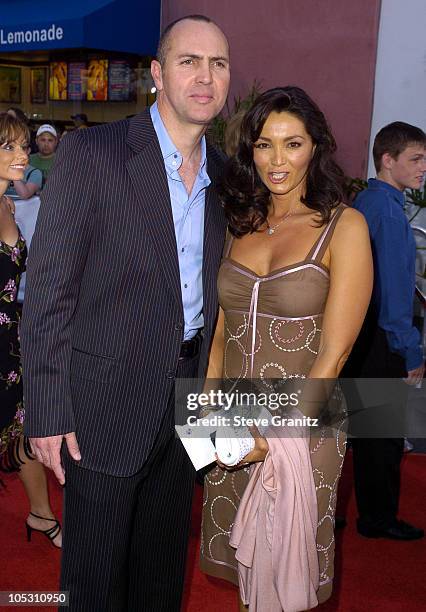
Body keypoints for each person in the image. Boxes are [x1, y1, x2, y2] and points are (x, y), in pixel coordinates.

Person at [20, 14, 230, 611]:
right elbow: (49, 293)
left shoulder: (226, 178)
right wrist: (47, 410)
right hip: (102, 406)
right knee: (92, 582)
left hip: (185, 400)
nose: (205, 77)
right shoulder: (96, 152)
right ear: (159, 75)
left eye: (218, 63)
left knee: (162, 574)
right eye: (190, 61)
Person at [200, 86, 373, 611]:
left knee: (284, 569)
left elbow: (335, 355)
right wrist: (206, 418)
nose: (277, 160)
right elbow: (221, 333)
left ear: (315, 148)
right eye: (263, 144)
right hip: (230, 418)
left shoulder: (344, 227)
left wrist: (273, 440)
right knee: (241, 565)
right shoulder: (239, 224)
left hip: (300, 426)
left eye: (292, 144)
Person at [344, 122, 426, 541]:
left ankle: (360, 515)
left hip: (359, 334)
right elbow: (395, 295)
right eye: (415, 158)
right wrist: (411, 352)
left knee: (361, 433)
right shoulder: (390, 213)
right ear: (387, 160)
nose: (423, 168)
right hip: (382, 338)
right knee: (383, 438)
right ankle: (378, 520)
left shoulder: (366, 202)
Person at [0, 112, 61, 547]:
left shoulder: (7, 202)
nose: (22, 154)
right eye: (9, 147)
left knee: (21, 431)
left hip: (12, 344)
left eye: (23, 145)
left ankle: (41, 514)